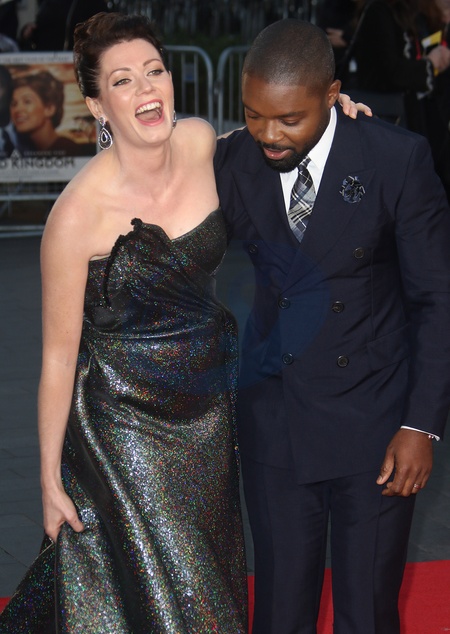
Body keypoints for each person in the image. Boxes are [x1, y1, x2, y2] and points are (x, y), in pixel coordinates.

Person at [0, 12, 247, 632]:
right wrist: (49, 480)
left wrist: (330, 119)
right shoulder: (75, 217)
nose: (146, 89)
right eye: (123, 80)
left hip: (206, 418)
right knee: (169, 605)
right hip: (123, 429)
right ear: (97, 106)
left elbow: (268, 144)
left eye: (154, 71)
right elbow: (58, 358)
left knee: (211, 594)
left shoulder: (199, 143)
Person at [214, 18, 450, 634]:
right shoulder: (233, 160)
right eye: (254, 114)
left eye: (289, 119)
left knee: (366, 612)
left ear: (332, 95)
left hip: (375, 422)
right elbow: (146, 180)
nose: (269, 135)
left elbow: (436, 300)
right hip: (276, 421)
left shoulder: (395, 159)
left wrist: (420, 425)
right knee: (278, 612)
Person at [10, 70, 88, 156]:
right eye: (14, 104)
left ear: (49, 109)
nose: (17, 109)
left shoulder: (69, 150)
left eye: (27, 101)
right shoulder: (19, 151)